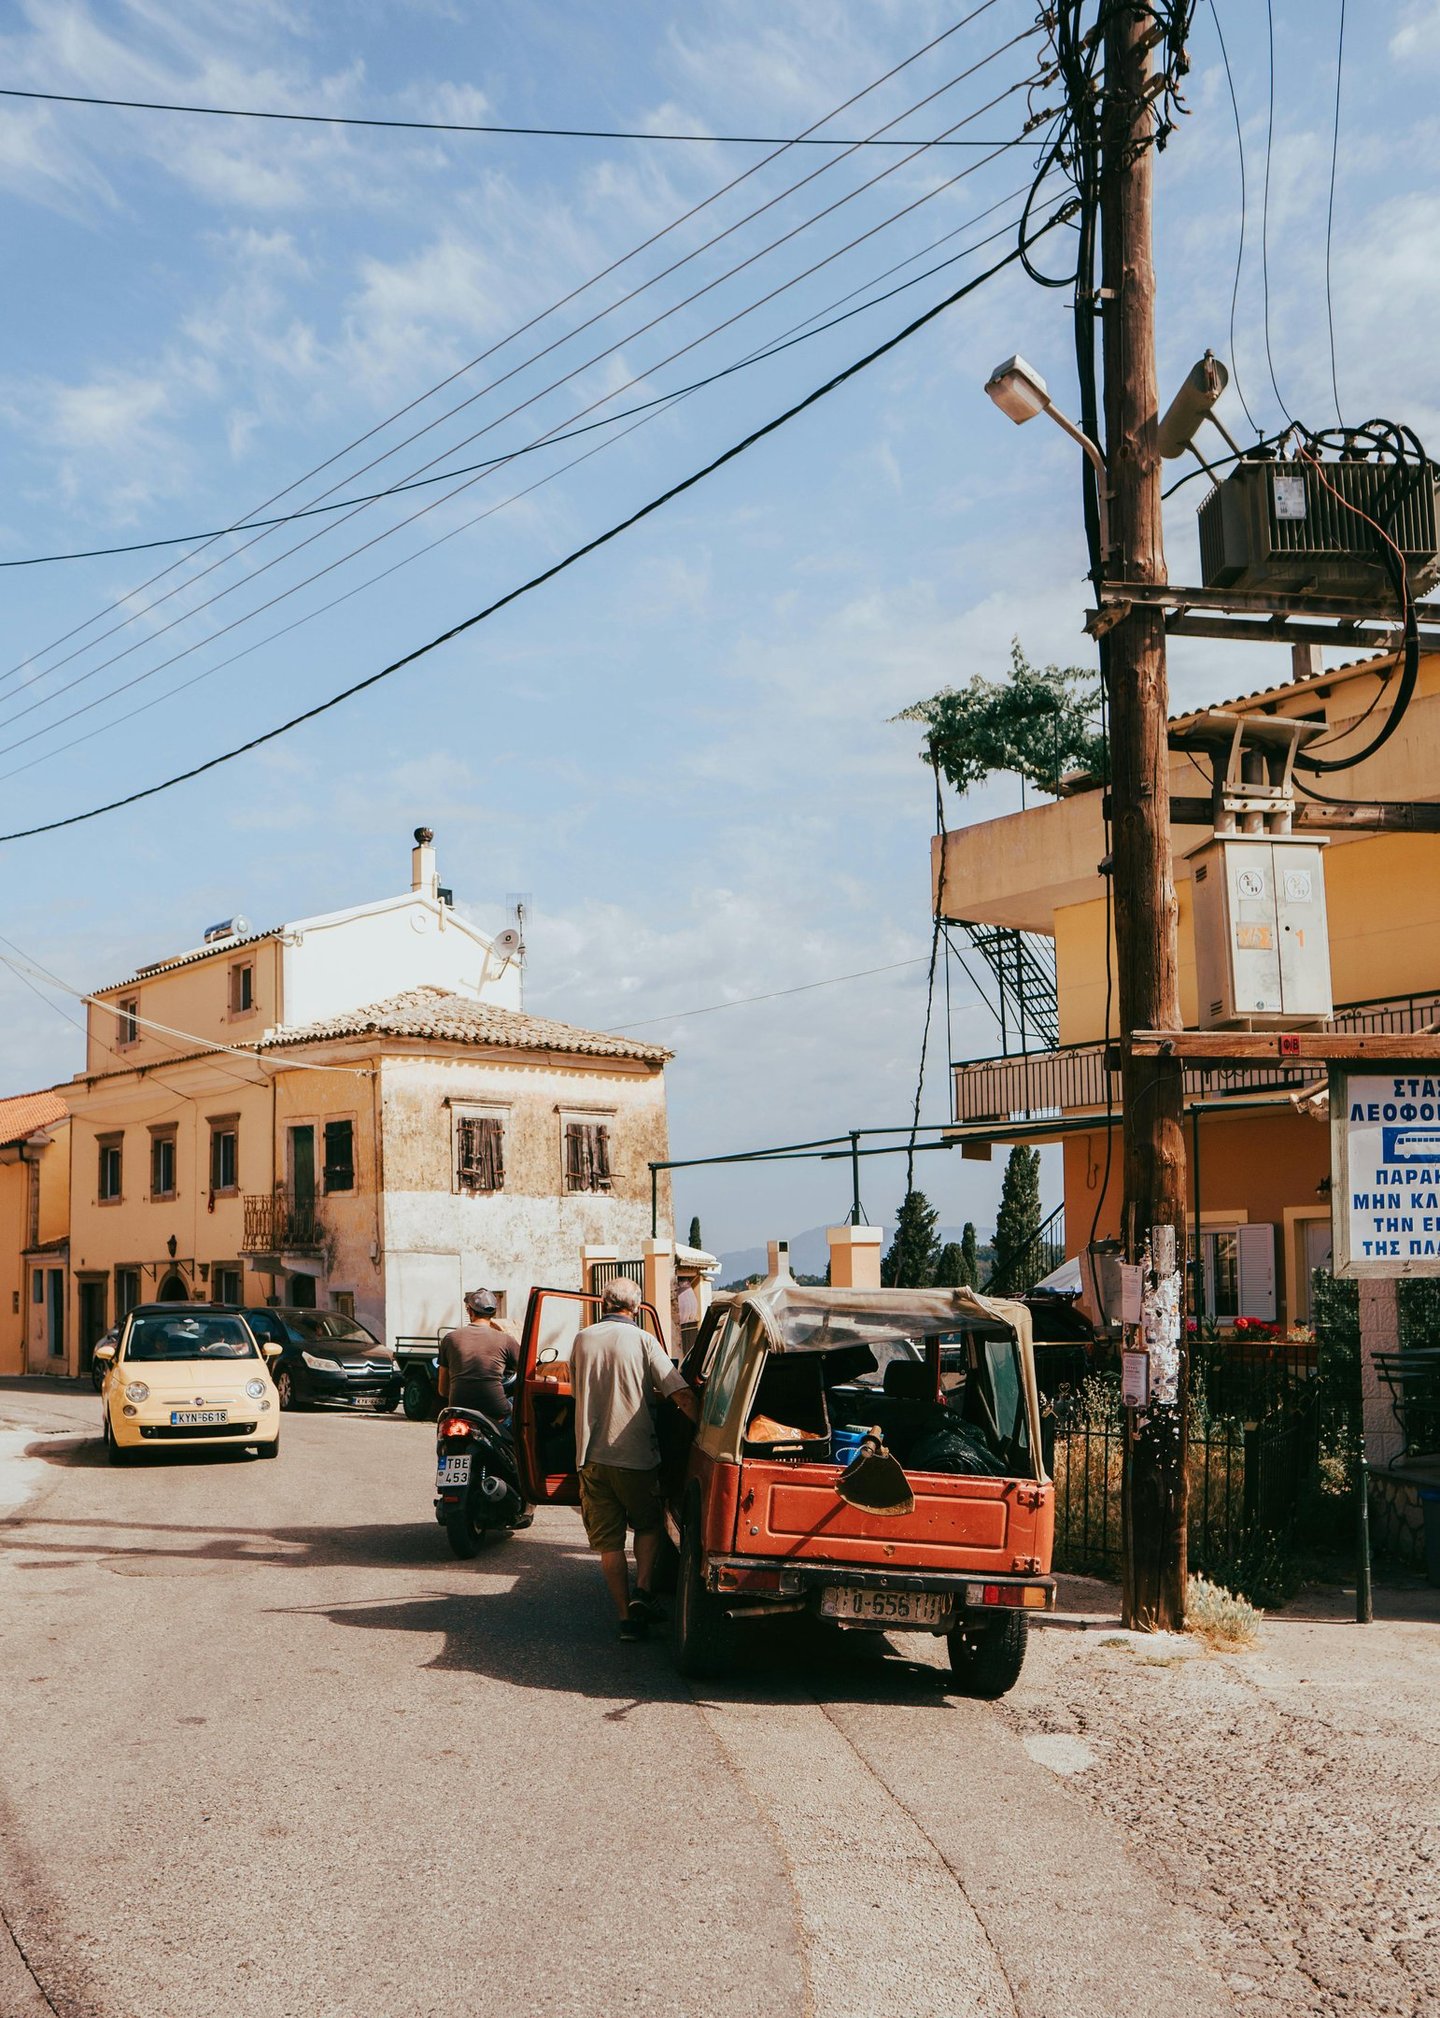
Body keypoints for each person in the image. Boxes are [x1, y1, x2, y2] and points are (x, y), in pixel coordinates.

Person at [571, 1277, 697, 1642]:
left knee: (608, 1544)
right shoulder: (644, 1340)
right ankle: (643, 1591)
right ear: (637, 1308)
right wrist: (706, 1426)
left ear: (603, 1303)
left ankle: (626, 1618)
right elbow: (680, 1393)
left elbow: (579, 1386)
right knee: (647, 1524)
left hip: (591, 1457)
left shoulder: (582, 1339)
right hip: (636, 1457)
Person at [438, 1289, 518, 1423]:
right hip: (495, 1411)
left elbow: (443, 1390)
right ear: (494, 1312)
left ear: (469, 1311)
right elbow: (529, 1372)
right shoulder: (506, 1340)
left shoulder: (450, 1339)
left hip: (458, 1409)